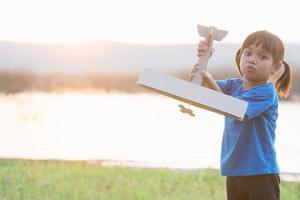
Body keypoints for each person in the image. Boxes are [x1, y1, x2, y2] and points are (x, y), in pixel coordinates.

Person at [190, 30, 292, 200]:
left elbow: (233, 109)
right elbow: (200, 87)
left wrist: (208, 79)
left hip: (260, 171)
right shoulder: (233, 85)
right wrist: (203, 60)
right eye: (248, 53)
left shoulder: (266, 92)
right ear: (240, 56)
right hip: (234, 169)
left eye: (263, 57)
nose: (252, 59)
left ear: (274, 67)